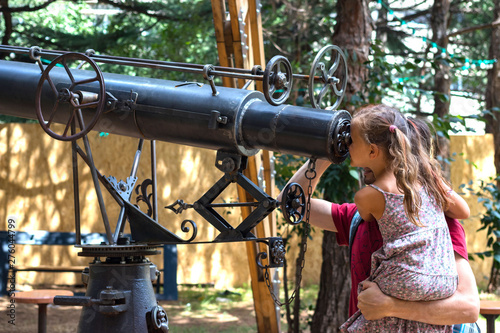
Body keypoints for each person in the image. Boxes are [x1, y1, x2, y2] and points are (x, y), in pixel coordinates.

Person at [278, 104, 480, 332]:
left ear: (374, 151)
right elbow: (292, 202)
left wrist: (391, 307)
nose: (348, 149)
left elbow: (469, 308)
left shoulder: (440, 223)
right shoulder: (357, 218)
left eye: (352, 143)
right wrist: (326, 151)